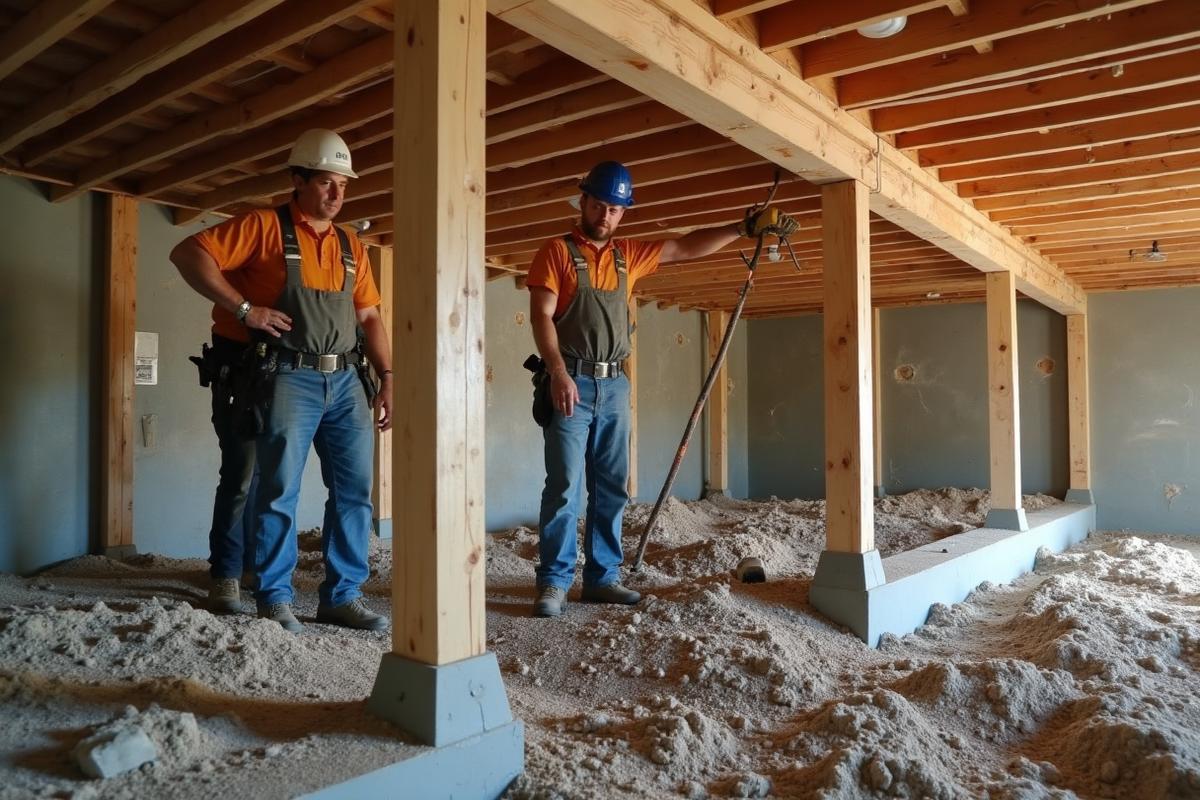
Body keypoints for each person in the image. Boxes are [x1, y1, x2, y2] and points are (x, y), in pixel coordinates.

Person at [526, 161, 797, 617]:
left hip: (614, 386)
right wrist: (557, 371)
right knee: (565, 486)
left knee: (611, 486)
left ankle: (601, 579)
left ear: (622, 213)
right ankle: (553, 582)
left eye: (615, 209)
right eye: (599, 205)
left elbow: (685, 247)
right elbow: (541, 315)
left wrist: (742, 228)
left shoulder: (626, 254)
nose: (605, 215)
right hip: (570, 382)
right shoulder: (555, 252)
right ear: (584, 201)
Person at [170, 128, 393, 633]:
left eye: (343, 185)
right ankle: (272, 595)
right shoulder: (263, 227)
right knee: (272, 488)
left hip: (346, 381)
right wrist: (244, 309)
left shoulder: (351, 246)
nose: (336, 195)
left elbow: (372, 318)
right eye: (325, 184)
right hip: (286, 376)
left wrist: (388, 376)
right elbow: (189, 254)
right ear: (298, 181)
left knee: (355, 492)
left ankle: (342, 595)